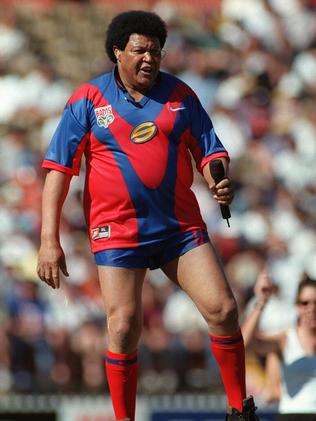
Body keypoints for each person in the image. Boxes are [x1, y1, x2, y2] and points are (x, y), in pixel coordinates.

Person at [37, 10, 260, 421]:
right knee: (122, 328)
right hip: (117, 231)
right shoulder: (87, 99)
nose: (149, 58)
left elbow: (210, 149)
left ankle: (238, 409)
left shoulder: (181, 96)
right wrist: (49, 240)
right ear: (117, 52)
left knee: (224, 310)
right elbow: (57, 172)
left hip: (178, 228)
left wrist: (218, 178)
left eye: (155, 51)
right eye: (139, 50)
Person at [242, 269, 316, 420]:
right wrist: (261, 301)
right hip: (293, 415)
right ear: (297, 306)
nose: (312, 308)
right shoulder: (286, 339)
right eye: (305, 303)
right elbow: (244, 343)